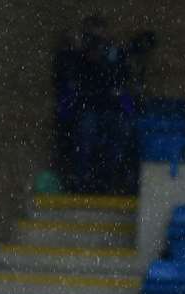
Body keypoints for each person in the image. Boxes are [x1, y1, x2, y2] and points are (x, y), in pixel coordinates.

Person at [53, 15, 138, 194]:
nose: (96, 42)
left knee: (121, 129)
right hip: (85, 109)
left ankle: (109, 179)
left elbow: (123, 80)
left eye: (100, 37)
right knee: (86, 129)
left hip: (110, 109)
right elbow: (66, 79)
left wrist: (108, 60)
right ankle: (81, 179)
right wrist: (79, 53)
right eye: (91, 36)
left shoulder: (114, 55)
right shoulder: (77, 57)